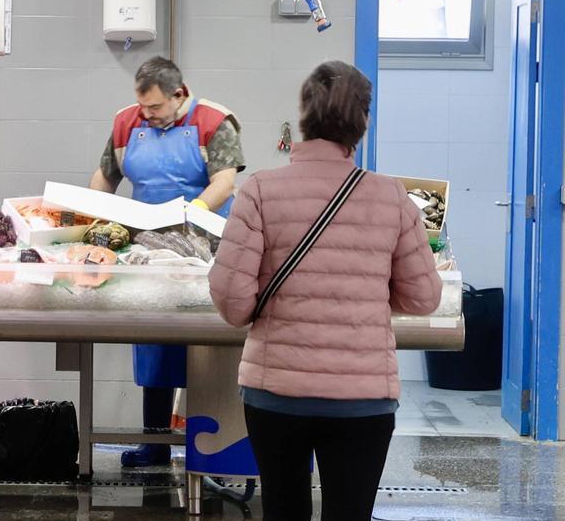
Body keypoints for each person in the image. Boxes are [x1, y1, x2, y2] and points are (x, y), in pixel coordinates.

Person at [209, 61, 442, 521]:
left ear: (303, 116)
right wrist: (368, 293)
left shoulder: (259, 190)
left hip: (276, 392)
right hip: (362, 397)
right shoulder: (392, 196)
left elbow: (232, 304)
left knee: (284, 509)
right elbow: (424, 297)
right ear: (363, 122)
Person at [90, 56, 245, 467]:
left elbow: (225, 181)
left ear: (179, 94)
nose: (148, 115)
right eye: (143, 107)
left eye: (156, 108)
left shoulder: (215, 122)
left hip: (204, 252)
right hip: (148, 250)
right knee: (154, 346)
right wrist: (95, 213)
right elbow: (105, 176)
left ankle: (211, 447)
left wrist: (192, 211)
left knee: (206, 351)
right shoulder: (127, 122)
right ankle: (155, 444)